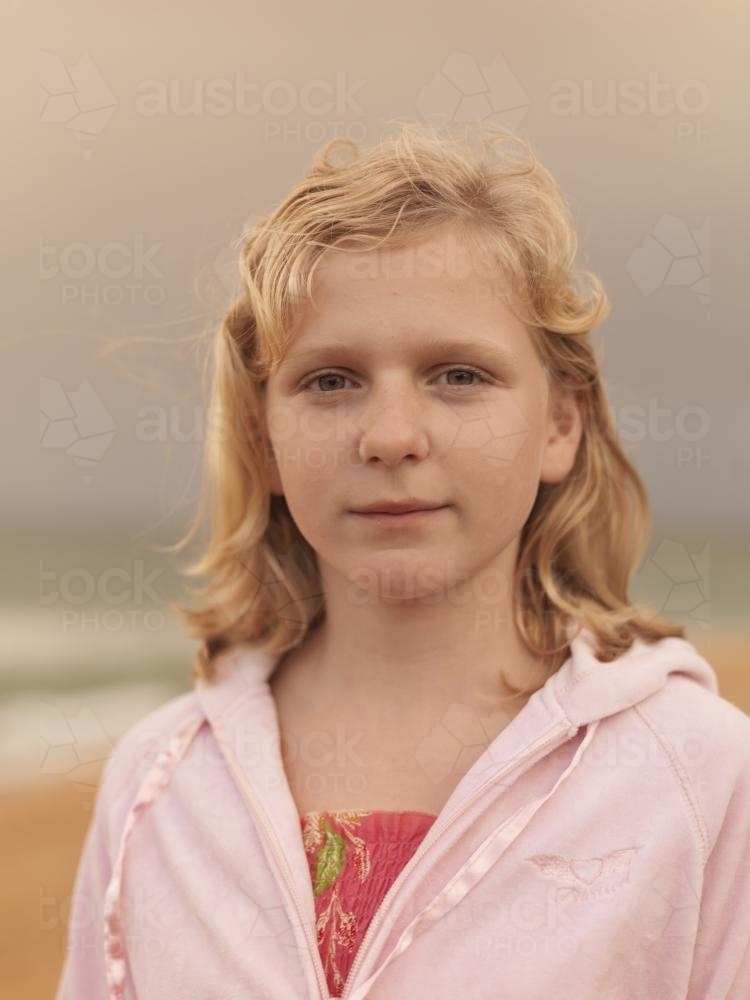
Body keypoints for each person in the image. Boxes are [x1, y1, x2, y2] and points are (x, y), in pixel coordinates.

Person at [56, 123, 750, 1000]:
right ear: (263, 439)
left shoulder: (698, 775)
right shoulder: (157, 784)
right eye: (331, 381)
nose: (390, 437)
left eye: (458, 375)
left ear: (560, 424)